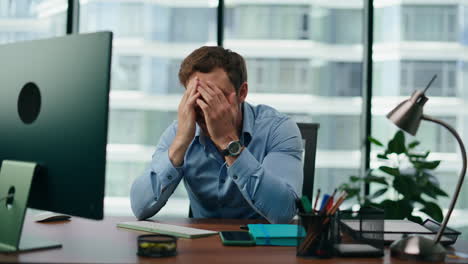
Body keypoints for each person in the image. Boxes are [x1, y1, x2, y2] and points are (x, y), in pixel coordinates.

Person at [130, 46, 303, 224]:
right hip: (201, 246)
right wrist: (181, 142)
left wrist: (229, 142)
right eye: (198, 96)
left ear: (242, 92)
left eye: (216, 96)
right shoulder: (178, 132)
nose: (207, 107)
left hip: (263, 245)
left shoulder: (278, 129)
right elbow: (140, 207)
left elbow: (283, 211)